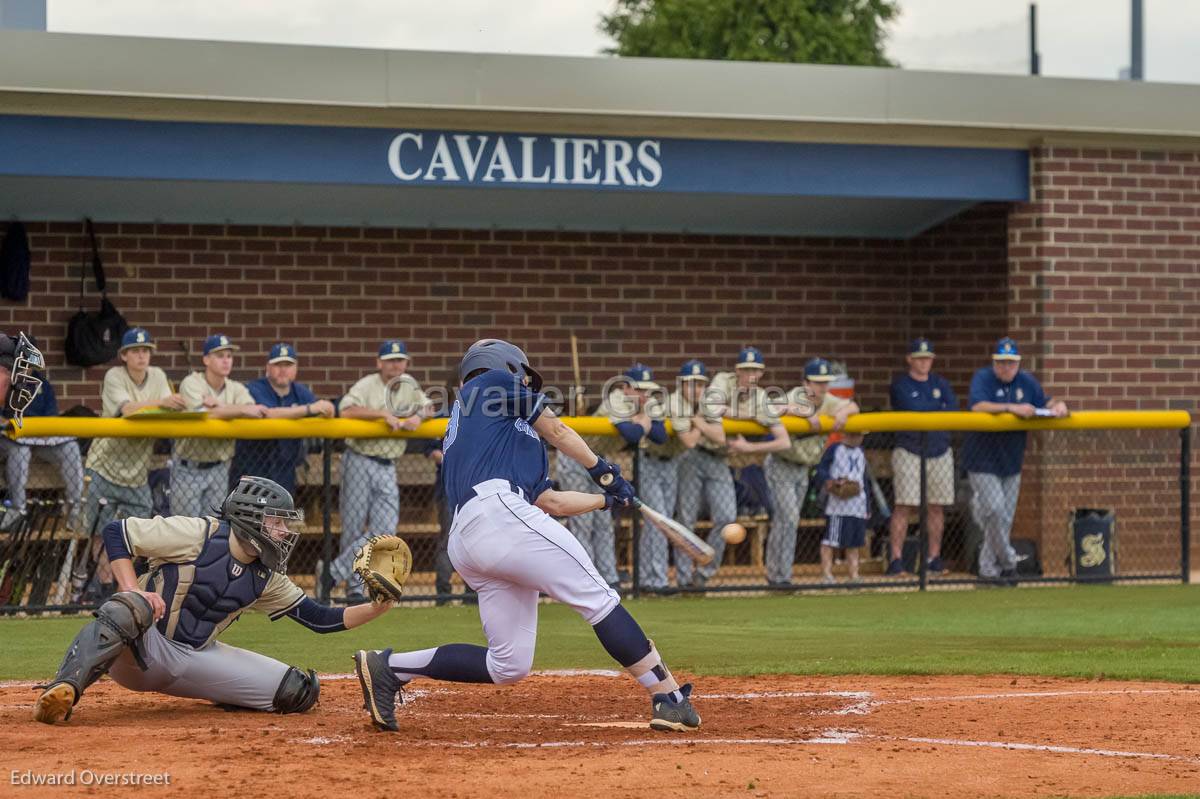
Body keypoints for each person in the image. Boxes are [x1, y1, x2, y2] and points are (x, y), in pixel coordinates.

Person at [351, 339, 700, 733]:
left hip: (475, 536)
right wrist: (604, 470)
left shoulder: (491, 428)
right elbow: (558, 428)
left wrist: (606, 500)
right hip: (498, 515)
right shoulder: (488, 383)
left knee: (508, 664)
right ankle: (668, 697)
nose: (526, 384)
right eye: (523, 375)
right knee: (599, 599)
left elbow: (550, 501)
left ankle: (388, 666)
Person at [32, 476, 392, 725]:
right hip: (141, 649)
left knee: (297, 692)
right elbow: (117, 532)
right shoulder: (198, 533)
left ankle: (225, 695)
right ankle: (64, 687)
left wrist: (378, 606)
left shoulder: (266, 576)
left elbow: (320, 619)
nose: (284, 533)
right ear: (252, 516)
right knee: (131, 605)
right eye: (277, 522)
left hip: (194, 658)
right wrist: (131, 587)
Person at [82, 328, 187, 598]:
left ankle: (124, 589)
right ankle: (105, 584)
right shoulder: (114, 375)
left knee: (137, 532)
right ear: (124, 355)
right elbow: (127, 409)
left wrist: (169, 403)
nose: (142, 355)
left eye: (146, 350)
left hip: (137, 471)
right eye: (136, 351)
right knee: (100, 532)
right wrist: (161, 402)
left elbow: (170, 410)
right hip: (103, 465)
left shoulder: (159, 376)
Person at [679, 347, 789, 588]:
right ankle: (682, 577)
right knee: (686, 518)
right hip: (694, 454)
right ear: (737, 370)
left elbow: (784, 441)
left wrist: (748, 448)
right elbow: (714, 409)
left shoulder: (761, 396)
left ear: (761, 374)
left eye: (755, 371)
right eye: (746, 369)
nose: (750, 375)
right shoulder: (721, 380)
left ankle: (704, 574)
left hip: (721, 458)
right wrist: (749, 416)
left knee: (727, 516)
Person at [962, 337, 1068, 585]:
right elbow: (977, 406)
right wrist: (1012, 408)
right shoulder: (983, 378)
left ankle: (989, 572)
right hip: (982, 460)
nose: (1006, 368)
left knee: (1003, 517)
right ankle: (1009, 561)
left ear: (1018, 363)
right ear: (994, 362)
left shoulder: (1027, 381)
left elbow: (1044, 401)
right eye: (1001, 363)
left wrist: (1058, 405)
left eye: (1011, 363)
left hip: (1011, 461)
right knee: (995, 510)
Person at [331, 339, 431, 601]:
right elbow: (346, 410)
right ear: (379, 363)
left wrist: (418, 417)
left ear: (407, 363)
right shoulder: (368, 384)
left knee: (385, 529)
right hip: (360, 460)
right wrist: (380, 415)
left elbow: (429, 405)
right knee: (352, 528)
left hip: (388, 465)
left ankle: (332, 572)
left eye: (400, 360)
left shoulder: (408, 384)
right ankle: (353, 587)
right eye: (390, 360)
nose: (396, 365)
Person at [556, 363, 664, 590]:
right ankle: (583, 578)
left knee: (603, 522)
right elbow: (632, 434)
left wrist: (642, 423)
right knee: (583, 522)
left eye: (647, 390)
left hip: (599, 462)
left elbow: (661, 435)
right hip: (575, 458)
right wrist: (644, 423)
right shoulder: (616, 399)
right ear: (625, 388)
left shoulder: (646, 404)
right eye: (639, 389)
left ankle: (607, 577)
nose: (644, 395)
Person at [765, 357, 858, 587]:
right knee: (788, 518)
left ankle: (778, 575)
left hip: (803, 468)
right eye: (817, 382)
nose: (822, 387)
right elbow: (769, 407)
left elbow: (854, 405)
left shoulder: (829, 400)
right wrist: (804, 412)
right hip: (781, 464)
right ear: (805, 383)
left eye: (825, 382)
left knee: (786, 521)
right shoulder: (796, 396)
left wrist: (844, 413)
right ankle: (780, 576)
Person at [171, 334, 266, 517]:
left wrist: (220, 406)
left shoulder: (236, 388)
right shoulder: (191, 382)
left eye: (229, 356)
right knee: (186, 532)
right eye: (219, 355)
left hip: (220, 469)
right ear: (206, 359)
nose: (226, 361)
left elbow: (252, 411)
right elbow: (203, 415)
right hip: (188, 467)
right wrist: (238, 411)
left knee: (214, 529)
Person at [887, 338, 958, 575]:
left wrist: (931, 409)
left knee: (936, 506)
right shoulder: (901, 385)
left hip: (938, 450)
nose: (923, 362)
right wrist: (934, 408)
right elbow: (913, 409)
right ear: (909, 359)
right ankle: (896, 560)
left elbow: (953, 409)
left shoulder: (941, 383)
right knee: (904, 505)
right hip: (909, 449)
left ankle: (933, 559)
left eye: (927, 358)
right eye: (918, 358)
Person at [231, 343, 335, 495]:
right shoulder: (254, 388)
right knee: (249, 516)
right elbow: (267, 413)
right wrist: (307, 409)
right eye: (278, 364)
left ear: (296, 368)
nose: (283, 369)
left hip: (284, 471)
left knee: (278, 516)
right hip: (251, 469)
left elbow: (327, 409)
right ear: (268, 367)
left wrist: (326, 407)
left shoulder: (301, 392)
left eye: (288, 364)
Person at [0, 359, 84, 531]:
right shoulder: (4, 381)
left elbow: (52, 417)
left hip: (40, 440)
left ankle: (76, 507)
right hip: (11, 441)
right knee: (20, 450)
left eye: (28, 363)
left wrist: (41, 429)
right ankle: (18, 508)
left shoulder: (42, 384)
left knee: (71, 448)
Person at [815, 430, 870, 584]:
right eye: (854, 434)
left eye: (859, 435)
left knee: (854, 543)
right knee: (830, 540)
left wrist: (868, 506)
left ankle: (853, 575)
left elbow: (865, 480)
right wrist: (830, 481)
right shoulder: (835, 449)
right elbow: (821, 469)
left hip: (857, 505)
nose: (858, 438)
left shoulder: (860, 452)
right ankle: (826, 574)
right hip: (837, 506)